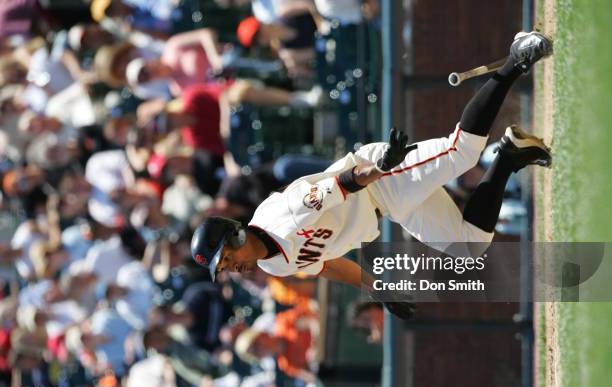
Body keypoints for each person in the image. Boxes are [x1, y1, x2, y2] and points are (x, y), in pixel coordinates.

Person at [190, 32, 553, 318]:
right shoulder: (273, 265)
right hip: (388, 206)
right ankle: (508, 155)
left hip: (377, 179)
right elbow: (328, 266)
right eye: (223, 268)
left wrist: (381, 167)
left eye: (225, 259)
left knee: (461, 152)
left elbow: (342, 184)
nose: (231, 269)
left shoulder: (281, 216)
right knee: (469, 246)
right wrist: (379, 290)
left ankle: (516, 59)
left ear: (235, 235)